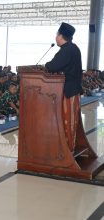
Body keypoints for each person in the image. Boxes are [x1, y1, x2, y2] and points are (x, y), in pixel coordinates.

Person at [45, 22, 83, 151]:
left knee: (68, 121)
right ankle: (68, 148)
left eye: (56, 34)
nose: (55, 37)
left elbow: (53, 66)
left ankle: (67, 151)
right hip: (70, 90)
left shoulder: (67, 50)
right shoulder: (72, 48)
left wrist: (46, 65)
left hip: (68, 91)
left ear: (60, 36)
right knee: (68, 121)